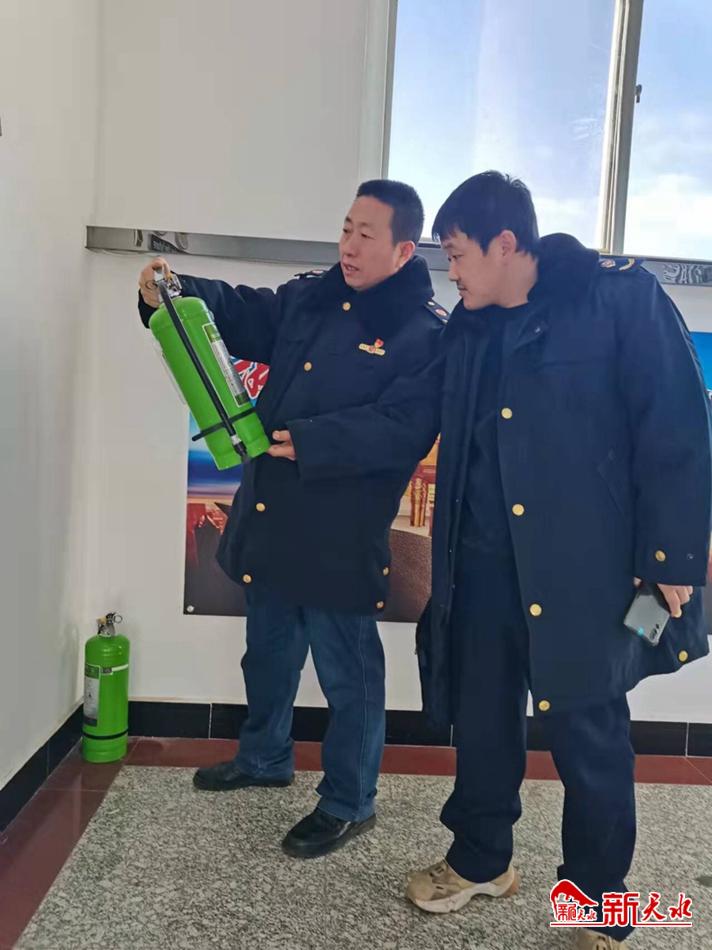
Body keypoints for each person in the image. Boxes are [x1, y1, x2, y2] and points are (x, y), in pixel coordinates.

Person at [407, 171, 711, 949]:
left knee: (590, 739)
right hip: (481, 570)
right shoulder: (469, 326)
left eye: (459, 253)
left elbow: (678, 426)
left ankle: (600, 903)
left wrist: (672, 558)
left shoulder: (616, 298)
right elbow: (410, 412)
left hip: (586, 575)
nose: (452, 271)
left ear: (507, 243)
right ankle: (480, 859)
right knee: (482, 722)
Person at [138, 180, 447, 858]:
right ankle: (265, 756)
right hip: (274, 510)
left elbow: (404, 427)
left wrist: (313, 441)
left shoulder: (424, 332)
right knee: (269, 651)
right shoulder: (310, 296)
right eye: (346, 228)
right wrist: (175, 289)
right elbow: (244, 313)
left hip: (341, 529)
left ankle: (349, 800)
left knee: (348, 673)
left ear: (403, 250)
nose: (349, 245)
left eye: (367, 234)